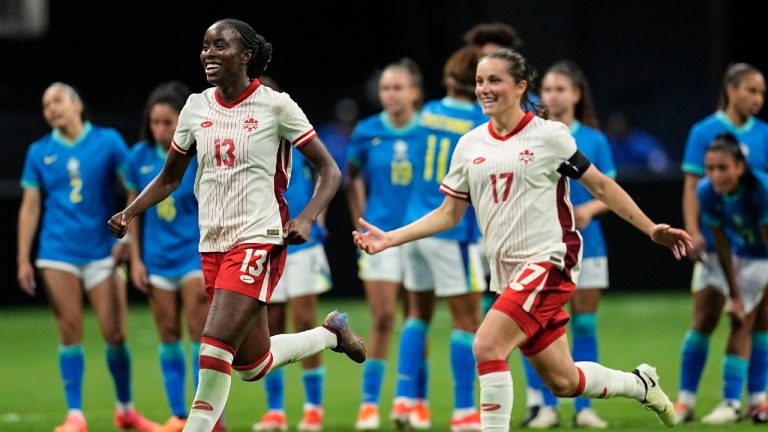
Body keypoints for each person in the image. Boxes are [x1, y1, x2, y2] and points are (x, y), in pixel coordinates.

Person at [352, 48, 692, 432]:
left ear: (520, 86)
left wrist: (650, 228)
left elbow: (600, 184)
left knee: (486, 345)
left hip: (550, 261)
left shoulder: (550, 136)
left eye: (494, 80)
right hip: (508, 274)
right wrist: (390, 239)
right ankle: (640, 384)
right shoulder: (470, 144)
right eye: (480, 81)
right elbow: (448, 214)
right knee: (564, 381)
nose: (484, 89)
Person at [106, 19, 366, 432]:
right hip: (212, 245)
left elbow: (329, 170)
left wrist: (306, 216)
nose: (208, 53)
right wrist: (132, 211)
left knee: (213, 344)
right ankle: (331, 334)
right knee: (251, 365)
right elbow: (171, 177)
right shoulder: (195, 106)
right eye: (205, 45)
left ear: (245, 56)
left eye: (220, 45)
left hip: (258, 240)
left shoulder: (276, 105)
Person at [17, 82, 158, 432]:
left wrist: (125, 230)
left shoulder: (107, 141)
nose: (51, 108)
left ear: (77, 104)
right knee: (70, 331)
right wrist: (23, 258)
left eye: (58, 100)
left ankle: (125, 410)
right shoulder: (39, 151)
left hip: (101, 253)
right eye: (45, 103)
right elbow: (31, 206)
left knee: (115, 334)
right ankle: (75, 415)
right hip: (57, 252)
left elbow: (132, 183)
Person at [390, 46, 487, 432]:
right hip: (450, 228)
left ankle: (405, 399)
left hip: (414, 226)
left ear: (448, 81)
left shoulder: (428, 112)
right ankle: (464, 411)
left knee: (417, 314)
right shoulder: (478, 123)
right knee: (467, 321)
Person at [519, 60, 616, 429]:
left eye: (561, 89)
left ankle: (584, 408)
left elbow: (608, 190)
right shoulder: (534, 134)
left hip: (587, 245)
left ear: (576, 94)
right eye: (548, 89)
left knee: (586, 324)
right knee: (539, 327)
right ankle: (545, 406)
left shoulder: (593, 139)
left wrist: (588, 210)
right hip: (544, 246)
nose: (553, 95)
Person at [676, 62, 768, 424]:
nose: (757, 99)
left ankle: (755, 399)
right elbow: (692, 185)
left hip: (756, 246)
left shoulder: (764, 134)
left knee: (758, 321)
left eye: (761, 93)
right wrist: (692, 230)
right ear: (731, 89)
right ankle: (685, 401)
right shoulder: (704, 132)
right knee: (704, 317)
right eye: (751, 90)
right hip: (720, 246)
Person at [123, 81, 210, 432]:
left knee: (198, 333)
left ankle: (204, 412)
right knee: (168, 334)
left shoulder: (199, 153)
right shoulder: (138, 158)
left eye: (168, 123)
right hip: (157, 261)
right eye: (156, 122)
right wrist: (136, 260)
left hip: (193, 256)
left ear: (183, 121)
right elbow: (134, 214)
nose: (161, 130)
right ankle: (178, 414)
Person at [250, 76, 333, 432]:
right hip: (264, 241)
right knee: (272, 324)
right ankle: (276, 411)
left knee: (304, 319)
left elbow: (324, 170)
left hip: (300, 242)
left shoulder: (292, 126)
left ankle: (313, 409)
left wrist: (313, 217)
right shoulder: (244, 137)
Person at [345, 58, 424, 430]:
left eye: (398, 87)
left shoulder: (429, 129)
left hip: (420, 236)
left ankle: (415, 401)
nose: (390, 94)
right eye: (385, 88)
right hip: (378, 237)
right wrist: (360, 222)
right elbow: (353, 177)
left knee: (416, 320)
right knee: (383, 318)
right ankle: (369, 404)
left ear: (414, 92)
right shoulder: (366, 131)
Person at [695, 132, 768, 425]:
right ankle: (746, 402)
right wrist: (734, 295)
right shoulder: (706, 191)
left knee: (751, 320)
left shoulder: (761, 190)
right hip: (743, 255)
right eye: (710, 168)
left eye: (722, 168)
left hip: (763, 254)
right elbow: (722, 244)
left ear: (740, 167)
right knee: (745, 318)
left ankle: (738, 402)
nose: (714, 175)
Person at [604, 111, 673, 178]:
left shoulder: (639, 142)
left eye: (619, 123)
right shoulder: (607, 143)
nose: (616, 127)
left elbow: (662, 165)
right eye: (613, 124)